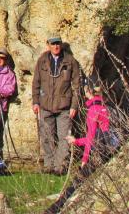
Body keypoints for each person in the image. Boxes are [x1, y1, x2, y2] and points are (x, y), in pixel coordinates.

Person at [31, 35, 82, 175]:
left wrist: (74, 106)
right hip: (45, 105)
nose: (55, 46)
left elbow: (77, 86)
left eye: (58, 43)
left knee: (64, 137)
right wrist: (35, 102)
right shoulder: (42, 60)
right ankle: (49, 164)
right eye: (53, 44)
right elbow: (36, 83)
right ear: (48, 44)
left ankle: (59, 166)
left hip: (64, 106)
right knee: (47, 136)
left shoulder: (70, 61)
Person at [67, 75, 114, 174]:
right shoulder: (106, 105)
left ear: (88, 91)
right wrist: (77, 141)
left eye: (84, 90)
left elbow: (91, 138)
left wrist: (84, 160)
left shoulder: (93, 110)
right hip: (113, 146)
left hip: (103, 151)